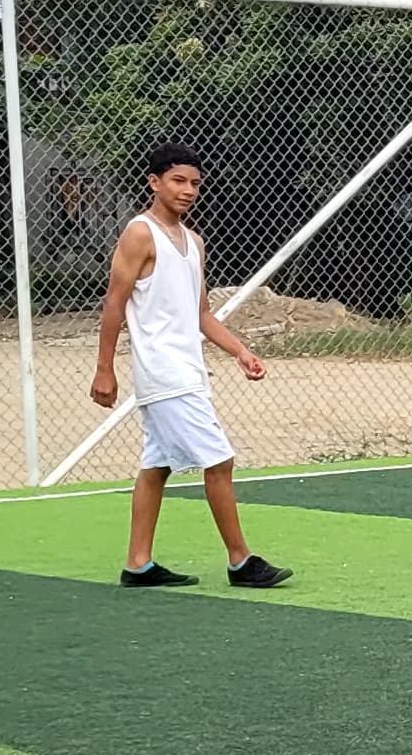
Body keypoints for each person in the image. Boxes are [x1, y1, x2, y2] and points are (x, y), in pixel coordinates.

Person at [90, 142, 288, 590]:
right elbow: (114, 303)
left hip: (188, 370)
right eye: (178, 181)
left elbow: (200, 313)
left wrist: (239, 351)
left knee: (157, 465)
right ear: (154, 182)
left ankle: (138, 564)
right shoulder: (139, 233)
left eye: (195, 183)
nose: (188, 190)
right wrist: (105, 368)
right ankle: (241, 561)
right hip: (164, 373)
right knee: (219, 459)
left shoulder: (194, 242)